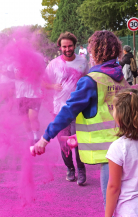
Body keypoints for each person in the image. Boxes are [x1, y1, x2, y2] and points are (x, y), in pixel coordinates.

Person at [32, 30, 130, 206]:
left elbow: (68, 110)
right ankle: (73, 169)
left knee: (112, 203)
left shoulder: (91, 80)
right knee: (127, 199)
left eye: (91, 50)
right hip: (127, 145)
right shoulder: (120, 78)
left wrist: (45, 138)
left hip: (109, 152)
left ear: (96, 52)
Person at [43, 32, 88, 185]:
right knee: (64, 143)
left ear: (75, 46)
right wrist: (52, 86)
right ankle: (70, 168)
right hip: (60, 110)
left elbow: (88, 81)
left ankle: (81, 170)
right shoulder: (53, 64)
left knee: (79, 141)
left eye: (70, 46)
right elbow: (43, 83)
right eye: (64, 46)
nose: (67, 49)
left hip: (79, 109)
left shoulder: (83, 62)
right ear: (60, 47)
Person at [105, 89, 138, 217]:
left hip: (130, 210)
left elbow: (113, 187)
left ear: (120, 116)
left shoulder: (118, 148)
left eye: (113, 109)